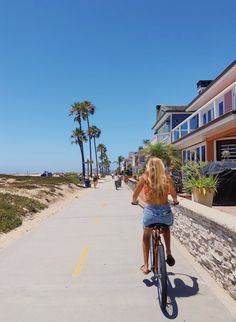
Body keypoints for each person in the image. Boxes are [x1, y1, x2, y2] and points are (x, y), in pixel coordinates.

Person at [132, 157, 178, 274]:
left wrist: (134, 201)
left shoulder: (145, 177)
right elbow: (173, 193)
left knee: (146, 235)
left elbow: (135, 194)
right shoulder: (166, 178)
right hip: (165, 211)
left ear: (149, 166)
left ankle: (146, 266)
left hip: (150, 212)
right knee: (166, 227)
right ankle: (168, 253)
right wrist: (175, 200)